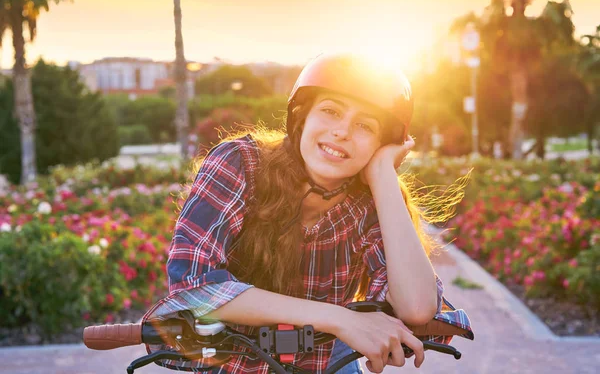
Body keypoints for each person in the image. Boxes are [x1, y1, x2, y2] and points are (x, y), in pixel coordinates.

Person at [143, 53, 474, 373]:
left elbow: (417, 307)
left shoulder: (369, 204)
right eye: (330, 111)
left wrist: (383, 175)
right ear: (302, 117)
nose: (342, 131)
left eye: (365, 126)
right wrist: (340, 319)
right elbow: (193, 286)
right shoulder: (240, 163)